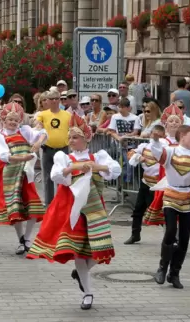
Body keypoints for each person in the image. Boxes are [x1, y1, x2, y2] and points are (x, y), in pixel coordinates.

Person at [27, 112, 120, 310]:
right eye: (69, 137)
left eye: (75, 137)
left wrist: (95, 166)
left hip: (94, 208)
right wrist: (73, 168)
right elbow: (55, 176)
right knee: (78, 251)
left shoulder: (98, 156)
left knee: (97, 251)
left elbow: (114, 169)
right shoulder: (64, 157)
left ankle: (81, 273)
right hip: (71, 207)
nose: (71, 140)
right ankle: (88, 293)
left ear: (86, 138)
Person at [150, 125, 190, 289]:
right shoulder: (171, 151)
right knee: (171, 231)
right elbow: (158, 154)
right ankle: (162, 268)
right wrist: (155, 139)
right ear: (182, 136)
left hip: (187, 197)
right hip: (171, 194)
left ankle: (174, 273)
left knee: (184, 238)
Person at [0, 102, 47, 254]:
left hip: (25, 174)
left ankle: (28, 238)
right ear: (3, 120)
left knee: (33, 205)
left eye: (16, 120)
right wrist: (24, 158)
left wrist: (38, 142)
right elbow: (4, 156)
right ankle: (21, 240)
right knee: (15, 208)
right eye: (10, 119)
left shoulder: (24, 130)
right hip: (10, 175)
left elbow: (43, 133)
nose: (13, 122)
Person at [124, 124, 167, 245]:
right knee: (138, 209)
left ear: (163, 135)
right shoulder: (144, 146)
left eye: (158, 134)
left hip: (159, 185)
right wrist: (138, 157)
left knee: (162, 212)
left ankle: (170, 237)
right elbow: (130, 153)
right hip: (145, 182)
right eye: (154, 133)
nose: (155, 136)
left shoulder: (165, 147)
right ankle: (135, 234)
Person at [143, 104, 183, 226]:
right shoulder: (161, 141)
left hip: (181, 177)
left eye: (177, 121)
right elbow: (155, 154)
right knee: (166, 206)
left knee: (180, 207)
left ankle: (176, 236)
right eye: (171, 121)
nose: (174, 123)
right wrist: (155, 140)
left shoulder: (184, 141)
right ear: (166, 124)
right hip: (165, 176)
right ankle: (169, 235)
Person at [35, 90, 71, 205]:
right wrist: (38, 126)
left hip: (63, 149)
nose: (54, 101)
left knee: (62, 176)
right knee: (47, 177)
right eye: (51, 99)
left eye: (56, 98)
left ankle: (62, 202)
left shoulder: (67, 115)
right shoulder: (43, 114)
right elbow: (37, 125)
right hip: (48, 149)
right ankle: (49, 204)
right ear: (48, 101)